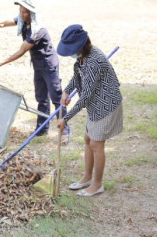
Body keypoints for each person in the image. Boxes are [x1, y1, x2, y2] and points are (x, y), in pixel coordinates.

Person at [0, 0, 70, 143]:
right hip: (37, 65)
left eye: (25, 12)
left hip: (49, 65)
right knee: (41, 98)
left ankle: (64, 132)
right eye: (20, 11)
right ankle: (42, 129)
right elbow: (4, 23)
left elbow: (21, 50)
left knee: (56, 97)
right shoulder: (23, 21)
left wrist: (1, 63)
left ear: (32, 13)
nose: (22, 15)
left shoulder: (39, 30)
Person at [56, 24, 123, 197]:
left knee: (96, 143)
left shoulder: (95, 61)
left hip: (106, 105)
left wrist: (66, 118)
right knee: (88, 139)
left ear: (80, 46)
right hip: (95, 103)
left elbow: (84, 97)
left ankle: (97, 184)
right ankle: (87, 177)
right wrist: (66, 91)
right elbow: (77, 76)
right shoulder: (83, 56)